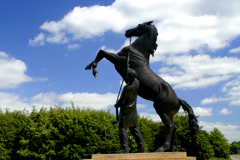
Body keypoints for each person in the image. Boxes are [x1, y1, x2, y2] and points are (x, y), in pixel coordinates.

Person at [114, 68, 145, 154]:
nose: (126, 77)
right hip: (133, 110)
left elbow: (122, 100)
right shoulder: (137, 83)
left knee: (122, 128)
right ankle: (141, 147)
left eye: (127, 76)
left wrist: (117, 104)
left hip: (126, 111)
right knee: (133, 128)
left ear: (130, 77)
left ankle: (125, 148)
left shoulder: (127, 88)